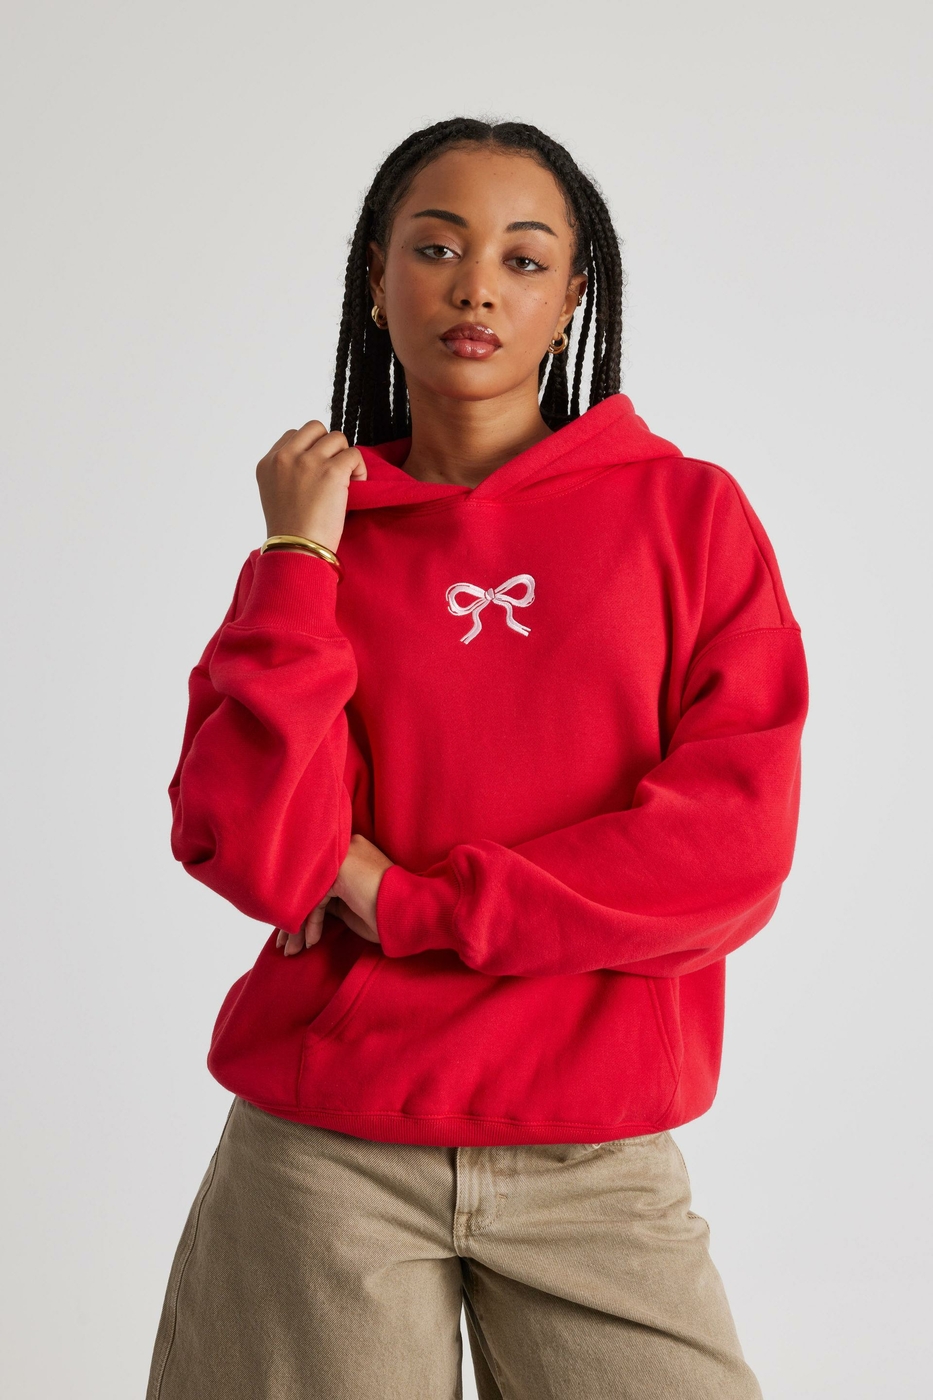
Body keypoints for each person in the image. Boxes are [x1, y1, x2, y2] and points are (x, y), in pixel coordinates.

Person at [145, 118, 808, 1400]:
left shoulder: (687, 515)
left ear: (571, 298)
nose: (476, 288)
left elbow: (727, 852)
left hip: (595, 1148)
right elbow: (263, 857)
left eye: (523, 257)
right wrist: (299, 556)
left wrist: (404, 897)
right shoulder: (319, 544)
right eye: (437, 248)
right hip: (328, 1144)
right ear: (376, 278)